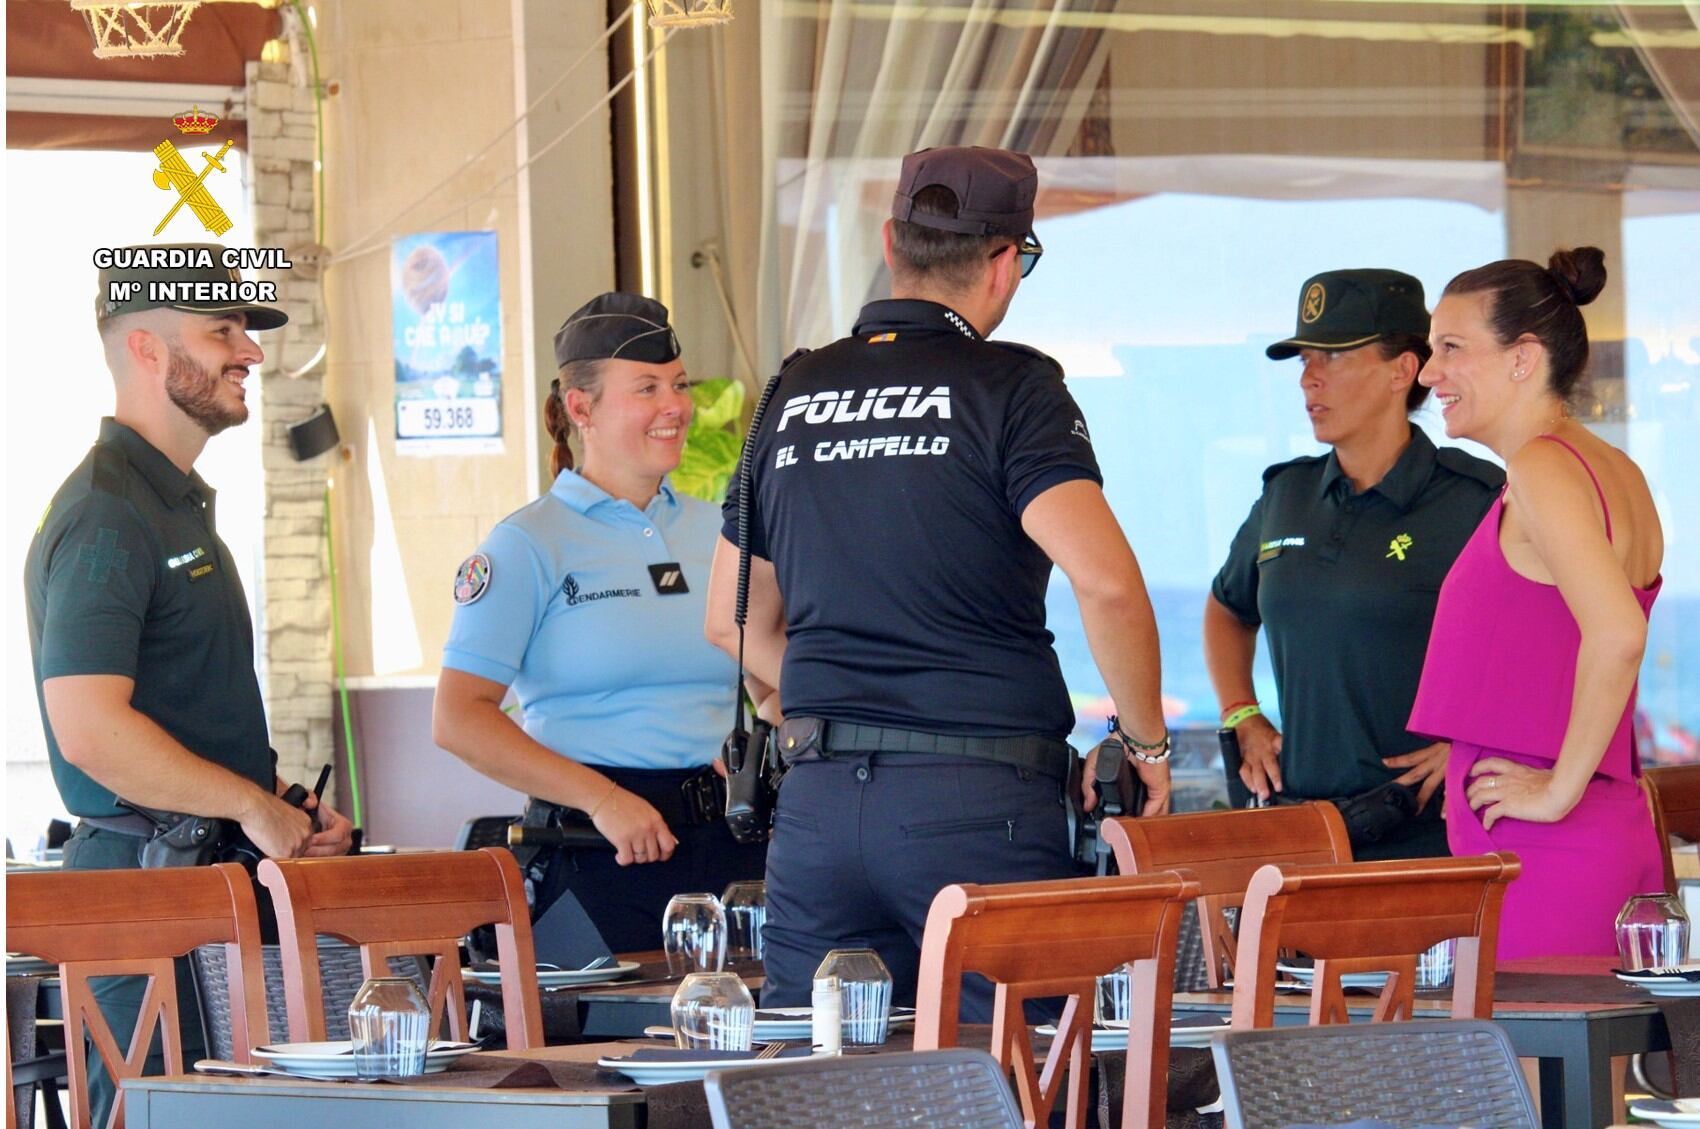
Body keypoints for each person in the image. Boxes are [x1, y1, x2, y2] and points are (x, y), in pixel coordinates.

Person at [704, 146, 1171, 1014]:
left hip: (815, 813)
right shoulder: (1012, 386)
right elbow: (1104, 583)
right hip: (976, 804)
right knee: (1021, 1080)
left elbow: (730, 620)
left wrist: (814, 708)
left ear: (891, 242)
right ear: (1004, 264)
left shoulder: (793, 391)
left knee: (823, 1093)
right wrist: (1145, 747)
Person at [25, 245, 354, 1123]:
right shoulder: (106, 512)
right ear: (144, 348)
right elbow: (90, 727)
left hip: (210, 883)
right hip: (139, 888)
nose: (248, 351)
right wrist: (252, 809)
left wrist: (283, 802)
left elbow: (188, 717)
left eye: (243, 330)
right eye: (222, 331)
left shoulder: (173, 503)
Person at [432, 292, 768, 953]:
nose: (674, 406)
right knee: (605, 1054)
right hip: (598, 848)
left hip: (730, 844)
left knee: (747, 1045)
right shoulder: (527, 544)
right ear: (581, 408)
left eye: (677, 384)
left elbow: (770, 674)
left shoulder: (722, 530)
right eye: (646, 388)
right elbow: (458, 717)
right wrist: (603, 798)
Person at [1410, 247, 1663, 958]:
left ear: (1524, 358)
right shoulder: (1613, 468)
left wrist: (1556, 791)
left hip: (1549, 839)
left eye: (1452, 348)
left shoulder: (1544, 465)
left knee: (1522, 1071)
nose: (1430, 374)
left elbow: (1618, 634)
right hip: (1597, 825)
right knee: (1573, 1071)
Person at [1204, 269, 1504, 860]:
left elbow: (1551, 642)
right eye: (1305, 360)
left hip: (1430, 838)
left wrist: (1478, 743)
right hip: (1302, 835)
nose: (1310, 379)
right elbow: (1228, 608)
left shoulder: (1475, 500)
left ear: (1403, 370)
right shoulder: (1285, 495)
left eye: (1335, 358)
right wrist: (1243, 713)